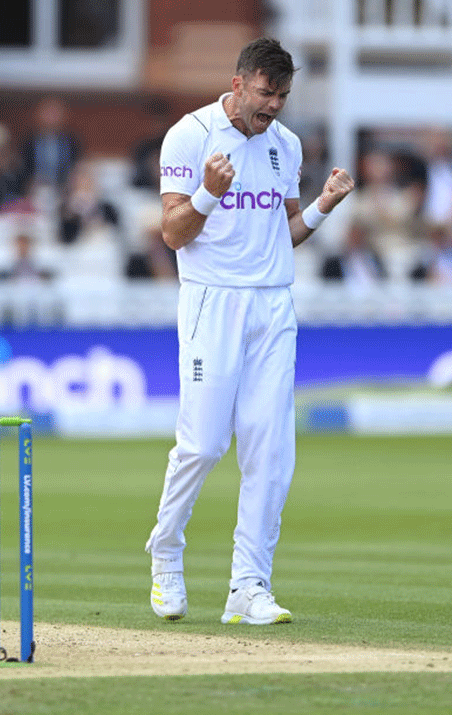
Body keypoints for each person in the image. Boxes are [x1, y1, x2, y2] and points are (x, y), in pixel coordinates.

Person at [144, 38, 354, 625]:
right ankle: (165, 554)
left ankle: (248, 587)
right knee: (205, 443)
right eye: (267, 93)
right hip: (214, 303)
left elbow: (280, 234)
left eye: (283, 95)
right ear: (239, 84)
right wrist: (210, 192)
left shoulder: (285, 144)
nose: (275, 107)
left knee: (272, 452)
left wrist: (322, 206)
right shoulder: (190, 134)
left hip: (273, 307)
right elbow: (173, 234)